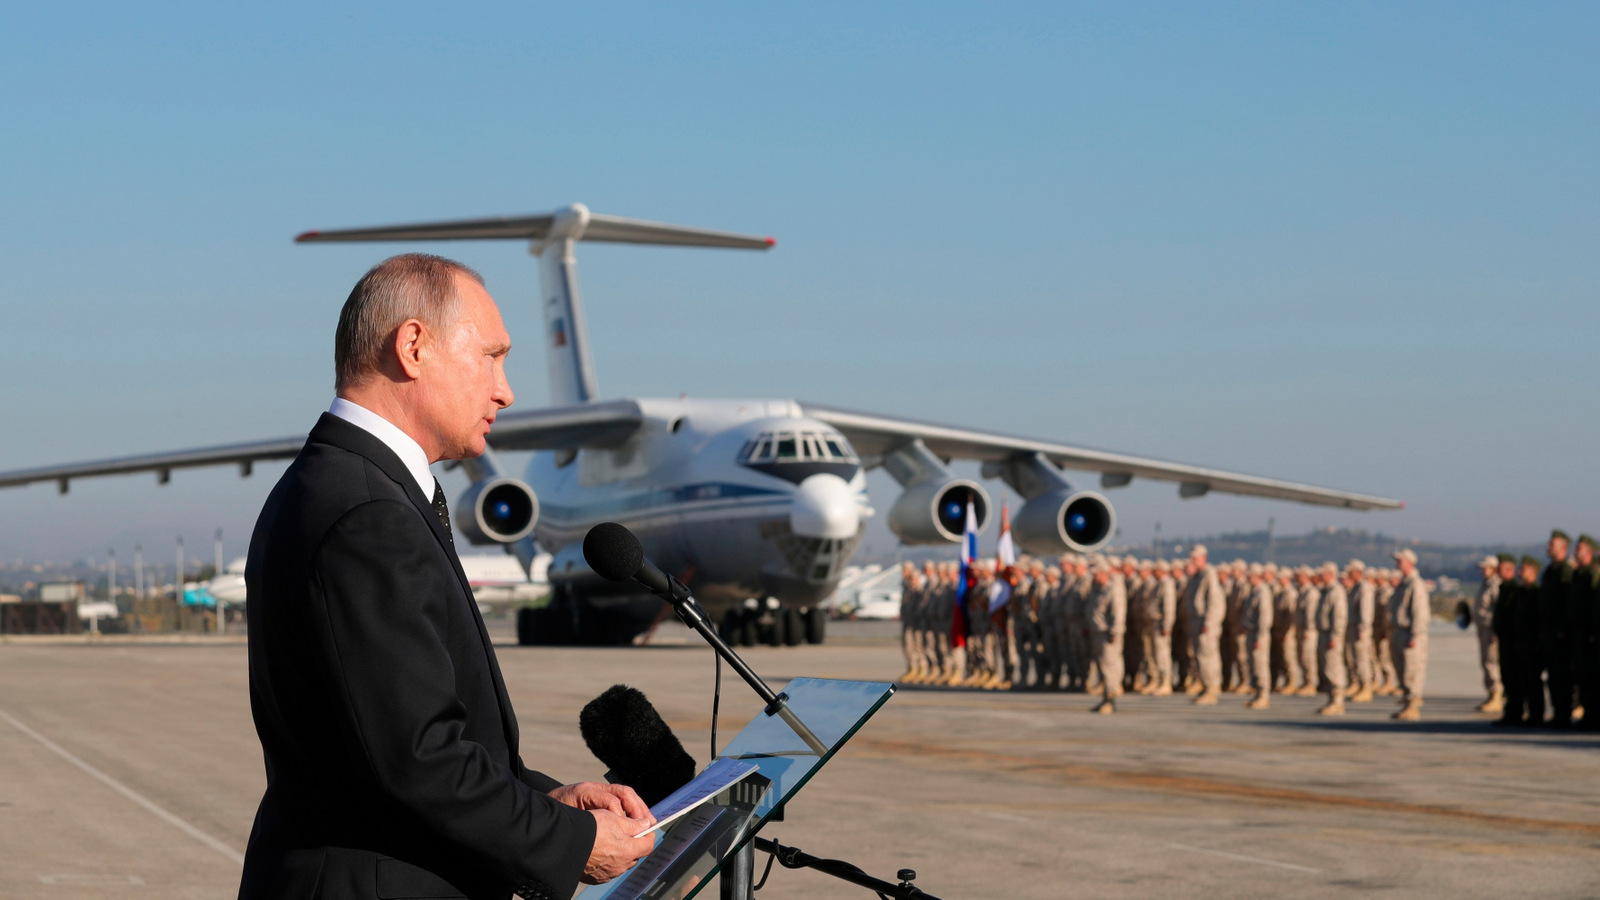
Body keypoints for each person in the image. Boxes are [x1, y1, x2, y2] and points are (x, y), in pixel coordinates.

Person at [240, 255, 655, 900]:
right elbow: (417, 759)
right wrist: (571, 842)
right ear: (413, 347)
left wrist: (550, 799)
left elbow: (394, 741)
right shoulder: (367, 514)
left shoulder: (343, 486)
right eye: (491, 356)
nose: (506, 390)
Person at [1494, 554, 1542, 727]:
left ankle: (1535, 715)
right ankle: (1514, 712)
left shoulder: (1533, 592)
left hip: (1529, 642)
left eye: (1523, 569)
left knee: (1531, 680)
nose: (1520, 572)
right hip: (1516, 641)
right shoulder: (1519, 591)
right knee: (1514, 678)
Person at [1389, 548, 1431, 721]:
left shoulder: (1415, 584)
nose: (1397, 563)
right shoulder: (1403, 583)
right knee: (1401, 670)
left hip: (1410, 633)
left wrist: (1415, 635)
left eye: (1401, 560)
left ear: (1409, 562)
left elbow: (1420, 613)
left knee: (1411, 671)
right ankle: (1407, 703)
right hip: (1399, 631)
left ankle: (1413, 706)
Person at [1539, 530, 1576, 727]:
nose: (1547, 547)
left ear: (1563, 548)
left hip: (1560, 634)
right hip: (1549, 633)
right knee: (1553, 676)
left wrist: (1563, 629)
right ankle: (1558, 713)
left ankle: (1564, 715)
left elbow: (1568, 604)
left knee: (1562, 676)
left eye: (1551, 544)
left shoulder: (1565, 571)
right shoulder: (1550, 571)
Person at [1182, 546, 1226, 705]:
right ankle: (1205, 686)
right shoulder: (1197, 576)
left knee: (1207, 656)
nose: (1192, 561)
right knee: (1199, 656)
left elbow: (1214, 601)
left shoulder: (1209, 574)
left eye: (1195, 558)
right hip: (1196, 621)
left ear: (1203, 558)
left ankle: (1211, 689)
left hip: (1205, 623)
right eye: (1191, 558)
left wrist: (1209, 622)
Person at [1087, 561, 1127, 714]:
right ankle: (1105, 698)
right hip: (1098, 632)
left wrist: (1115, 632)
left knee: (1110, 666)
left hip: (1108, 634)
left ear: (1103, 573)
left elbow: (1118, 612)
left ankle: (1110, 700)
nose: (1093, 577)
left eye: (1096, 574)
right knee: (1103, 667)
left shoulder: (1113, 588)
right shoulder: (1098, 589)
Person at [1571, 536, 1600, 731]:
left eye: (1579, 548)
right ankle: (1590, 716)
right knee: (1585, 678)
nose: (1575, 551)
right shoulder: (1579, 574)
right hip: (1582, 633)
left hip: (1591, 634)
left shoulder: (1592, 575)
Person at [1316, 562, 1350, 716]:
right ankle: (1332, 700)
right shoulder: (1326, 591)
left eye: (1322, 573)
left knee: (1333, 666)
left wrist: (1335, 635)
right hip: (1324, 633)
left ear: (1330, 573)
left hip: (1331, 635)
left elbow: (1339, 616)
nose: (1319, 576)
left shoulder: (1336, 591)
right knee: (1327, 667)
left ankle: (1337, 701)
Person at [1471, 554, 1504, 713]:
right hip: (1482, 629)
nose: (1483, 571)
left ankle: (1497, 695)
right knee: (1486, 662)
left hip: (1491, 630)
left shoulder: (1495, 585)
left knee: (1493, 663)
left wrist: (1496, 630)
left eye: (1486, 568)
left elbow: (1498, 610)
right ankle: (1491, 694)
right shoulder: (1485, 585)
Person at [1242, 564, 1274, 710]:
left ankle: (1263, 695)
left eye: (1250, 576)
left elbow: (1264, 617)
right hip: (1251, 632)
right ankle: (1257, 693)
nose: (1248, 578)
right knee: (1253, 664)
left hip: (1258, 634)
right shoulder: (1253, 591)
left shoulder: (1262, 592)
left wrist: (1260, 637)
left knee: (1260, 665)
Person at [1344, 561, 1376, 703]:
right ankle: (1360, 685)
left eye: (1350, 571)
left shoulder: (1364, 588)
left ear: (1357, 572)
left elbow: (1366, 611)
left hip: (1360, 630)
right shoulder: (1355, 588)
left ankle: (1366, 688)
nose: (1348, 574)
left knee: (1362, 659)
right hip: (1353, 628)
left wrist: (1363, 629)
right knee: (1355, 659)